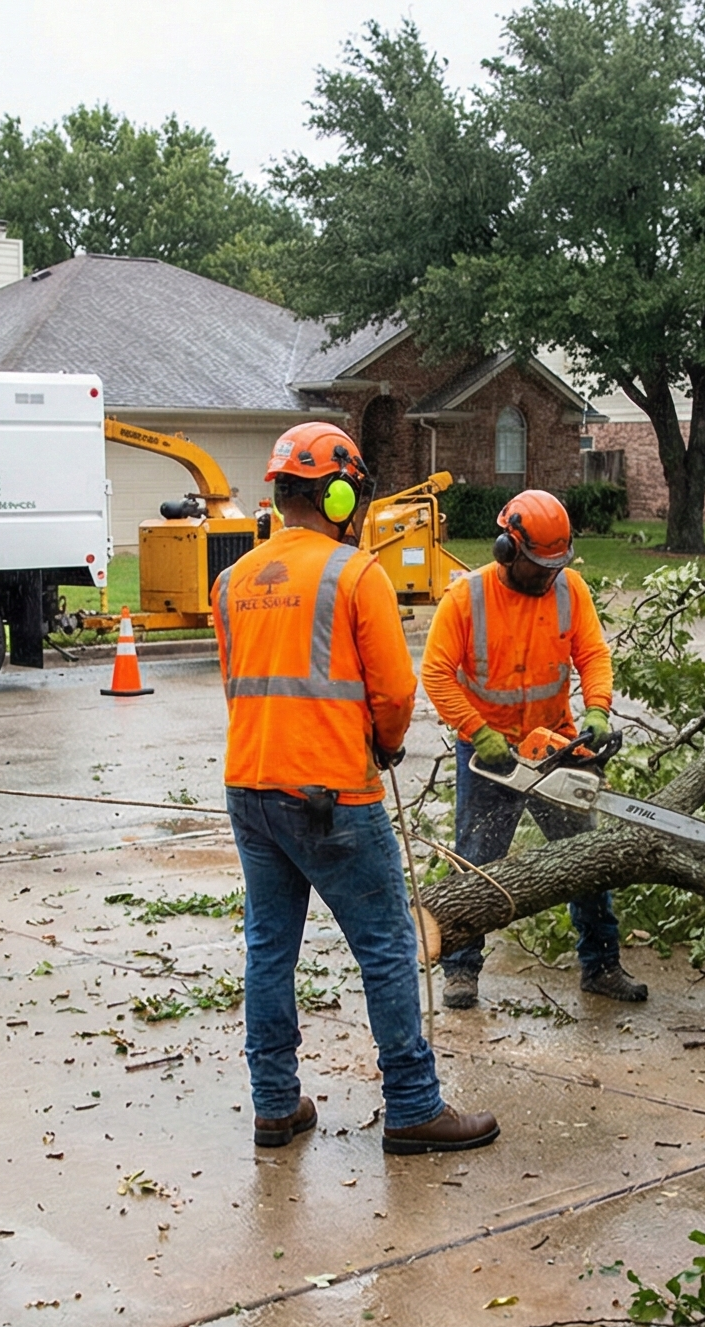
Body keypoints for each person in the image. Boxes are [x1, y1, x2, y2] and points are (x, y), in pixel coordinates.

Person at [213, 424, 498, 1155]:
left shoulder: (231, 582)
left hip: (251, 786)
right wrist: (388, 744)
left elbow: (234, 686)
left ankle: (275, 1104)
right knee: (387, 945)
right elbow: (396, 694)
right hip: (333, 793)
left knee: (269, 948)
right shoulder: (354, 572)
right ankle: (412, 1105)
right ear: (337, 493)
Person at [419, 489, 648, 1007]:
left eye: (554, 564)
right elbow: (435, 673)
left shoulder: (570, 590)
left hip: (555, 743)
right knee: (477, 861)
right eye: (538, 564)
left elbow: (592, 653)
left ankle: (601, 964)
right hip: (489, 752)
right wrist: (477, 729)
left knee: (584, 858)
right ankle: (461, 969)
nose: (547, 575)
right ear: (507, 549)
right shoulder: (467, 598)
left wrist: (597, 710)